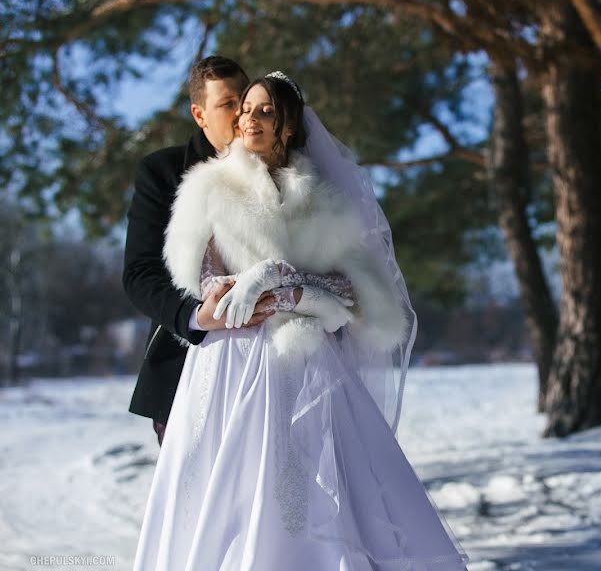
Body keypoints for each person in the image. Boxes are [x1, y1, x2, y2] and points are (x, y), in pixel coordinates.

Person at [132, 72, 469, 570]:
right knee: (227, 497)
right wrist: (237, 291)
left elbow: (356, 295)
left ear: (289, 126)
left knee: (314, 496)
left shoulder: (323, 200)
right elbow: (202, 283)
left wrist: (289, 286)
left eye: (263, 110)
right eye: (243, 108)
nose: (249, 118)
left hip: (309, 366)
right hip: (230, 366)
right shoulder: (209, 185)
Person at [123, 56, 274, 446]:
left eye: (245, 98)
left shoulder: (283, 168)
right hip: (189, 370)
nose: (241, 113)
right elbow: (140, 274)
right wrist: (196, 315)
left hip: (278, 370)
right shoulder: (163, 172)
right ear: (200, 115)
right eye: (227, 104)